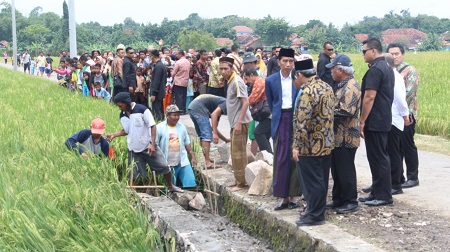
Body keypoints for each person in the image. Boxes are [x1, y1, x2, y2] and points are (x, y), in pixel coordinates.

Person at [106, 92, 183, 192]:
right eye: (118, 106)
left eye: (120, 105)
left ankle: (171, 186)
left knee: (164, 166)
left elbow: (152, 126)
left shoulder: (142, 110)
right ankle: (134, 194)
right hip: (134, 148)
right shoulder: (122, 115)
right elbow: (127, 130)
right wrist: (114, 135)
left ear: (127, 102)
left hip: (148, 146)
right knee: (133, 174)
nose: (119, 108)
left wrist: (152, 143)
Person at [292, 58, 334, 226]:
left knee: (312, 181)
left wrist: (296, 146)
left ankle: (315, 215)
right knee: (321, 179)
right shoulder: (327, 87)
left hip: (310, 145)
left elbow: (302, 122)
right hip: (326, 142)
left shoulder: (307, 92)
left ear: (300, 74)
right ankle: (317, 210)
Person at [358, 38, 395, 207]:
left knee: (379, 157)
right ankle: (376, 191)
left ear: (373, 51)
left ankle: (384, 195)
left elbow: (369, 97)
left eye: (364, 51)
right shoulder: (386, 67)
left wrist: (362, 120)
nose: (363, 54)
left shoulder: (376, 70)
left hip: (375, 119)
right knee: (376, 157)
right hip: (382, 118)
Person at [265, 48, 301, 210]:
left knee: (295, 156)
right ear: (278, 62)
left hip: (296, 119)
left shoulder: (298, 78)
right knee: (280, 157)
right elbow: (272, 102)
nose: (288, 64)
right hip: (280, 120)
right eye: (285, 61)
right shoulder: (271, 80)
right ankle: (283, 197)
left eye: (291, 61)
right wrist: (278, 116)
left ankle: (294, 196)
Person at [325, 54, 361, 214]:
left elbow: (346, 111)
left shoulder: (351, 87)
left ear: (340, 70)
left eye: (333, 68)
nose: (331, 72)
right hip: (338, 137)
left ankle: (350, 200)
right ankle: (338, 198)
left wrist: (325, 113)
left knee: (345, 169)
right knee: (337, 169)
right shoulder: (341, 85)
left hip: (347, 136)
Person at [387, 43, 420, 189]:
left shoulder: (410, 70)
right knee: (395, 148)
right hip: (393, 116)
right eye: (391, 54)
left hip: (407, 114)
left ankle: (413, 177)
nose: (394, 57)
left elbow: (407, 93)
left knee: (407, 145)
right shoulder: (390, 70)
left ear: (403, 54)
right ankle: (398, 177)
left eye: (396, 54)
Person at [220, 57, 252, 192]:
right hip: (235, 122)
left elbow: (245, 102)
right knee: (234, 153)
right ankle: (238, 179)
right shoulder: (231, 81)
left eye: (225, 69)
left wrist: (239, 122)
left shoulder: (237, 81)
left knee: (239, 153)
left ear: (232, 68)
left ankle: (242, 182)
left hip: (241, 122)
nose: (223, 72)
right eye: (221, 69)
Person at [384, 53, 410, 195]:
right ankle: (390, 181)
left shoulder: (395, 77)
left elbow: (400, 99)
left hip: (394, 119)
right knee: (389, 152)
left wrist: (405, 115)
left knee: (393, 152)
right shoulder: (390, 75)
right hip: (390, 118)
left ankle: (395, 183)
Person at [156, 105, 197, 188]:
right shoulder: (159, 128)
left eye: (178, 115)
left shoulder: (182, 127)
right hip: (167, 163)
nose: (177, 117)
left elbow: (187, 143)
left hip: (182, 161)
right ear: (167, 115)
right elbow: (155, 145)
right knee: (170, 188)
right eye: (174, 115)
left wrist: (192, 156)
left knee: (191, 185)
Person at [188, 94, 229, 168]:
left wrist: (225, 139)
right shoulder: (226, 103)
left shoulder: (218, 108)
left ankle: (206, 159)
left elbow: (214, 128)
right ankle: (207, 162)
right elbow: (213, 115)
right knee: (206, 135)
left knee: (202, 135)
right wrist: (215, 134)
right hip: (198, 107)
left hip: (192, 108)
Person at [244, 67, 272, 154]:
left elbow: (252, 100)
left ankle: (269, 156)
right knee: (265, 135)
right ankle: (269, 156)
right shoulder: (260, 81)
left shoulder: (259, 83)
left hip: (268, 112)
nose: (246, 81)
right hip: (267, 111)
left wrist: (242, 102)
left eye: (246, 78)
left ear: (252, 75)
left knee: (258, 132)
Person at [149, 49, 167, 121]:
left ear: (153, 56)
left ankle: (159, 123)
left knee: (157, 111)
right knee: (160, 109)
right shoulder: (161, 65)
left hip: (157, 93)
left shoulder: (158, 67)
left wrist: (153, 93)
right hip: (160, 91)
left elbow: (156, 81)